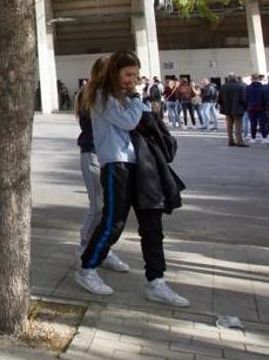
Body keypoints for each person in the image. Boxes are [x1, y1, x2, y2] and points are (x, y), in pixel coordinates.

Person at [75, 51, 189, 307]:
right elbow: (128, 121)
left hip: (144, 165)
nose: (132, 80)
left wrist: (137, 101)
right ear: (114, 73)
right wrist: (137, 99)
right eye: (128, 74)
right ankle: (87, 268)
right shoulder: (101, 97)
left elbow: (149, 119)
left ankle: (156, 281)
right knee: (113, 220)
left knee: (152, 224)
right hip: (117, 164)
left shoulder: (129, 98)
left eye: (136, 75)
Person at [74, 57, 130, 275]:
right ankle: (84, 247)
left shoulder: (106, 94)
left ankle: (101, 249)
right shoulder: (92, 94)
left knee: (107, 207)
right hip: (93, 154)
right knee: (98, 205)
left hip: (107, 156)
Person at [218, 74, 248, 147]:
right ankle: (239, 141)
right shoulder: (239, 86)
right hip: (238, 108)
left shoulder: (223, 86)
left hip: (227, 108)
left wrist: (223, 105)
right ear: (235, 78)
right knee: (238, 126)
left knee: (229, 125)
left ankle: (230, 140)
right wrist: (245, 107)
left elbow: (219, 99)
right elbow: (243, 99)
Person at [246, 74, 269, 144]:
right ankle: (264, 138)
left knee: (253, 123)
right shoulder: (263, 87)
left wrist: (247, 106)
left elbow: (246, 98)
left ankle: (253, 138)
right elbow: (265, 98)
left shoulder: (248, 88)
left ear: (251, 79)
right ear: (258, 79)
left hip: (251, 108)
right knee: (262, 124)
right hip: (261, 108)